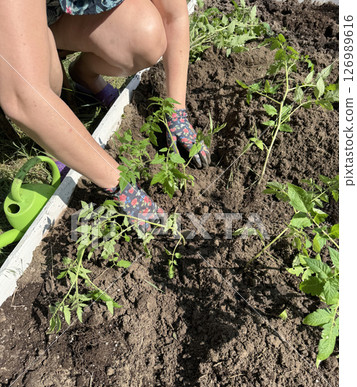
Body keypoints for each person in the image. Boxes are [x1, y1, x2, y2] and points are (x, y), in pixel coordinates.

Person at [0, 0, 210, 231]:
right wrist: (121, 185)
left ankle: (84, 76)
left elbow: (173, 13)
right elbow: (23, 98)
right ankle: (57, 143)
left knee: (145, 37)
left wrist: (176, 112)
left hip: (55, 11)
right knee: (44, 74)